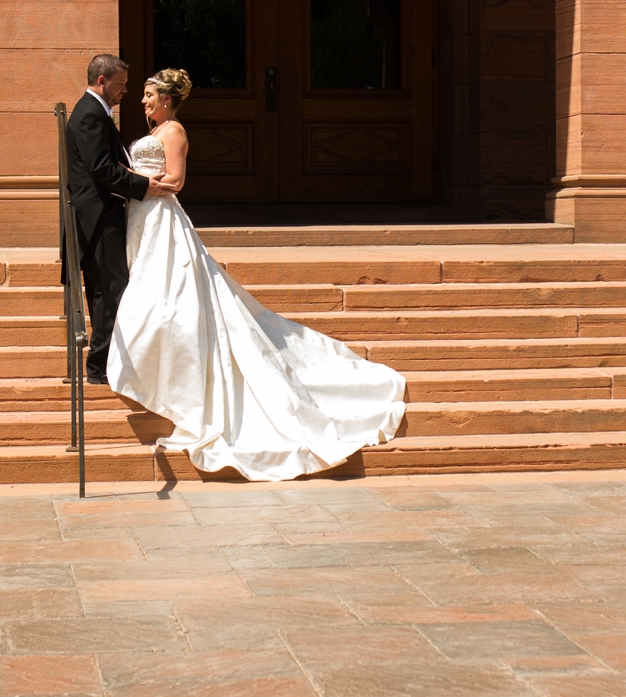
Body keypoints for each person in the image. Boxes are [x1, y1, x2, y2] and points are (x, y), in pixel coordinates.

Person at [108, 67, 407, 480]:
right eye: (142, 94)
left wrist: (132, 180)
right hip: (142, 218)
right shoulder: (155, 133)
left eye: (148, 95)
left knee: (166, 295)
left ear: (167, 99)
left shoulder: (173, 131)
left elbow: (175, 181)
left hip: (161, 217)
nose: (142, 101)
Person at [66, 54, 170, 385]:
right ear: (102, 81)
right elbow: (100, 168)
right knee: (110, 289)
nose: (125, 90)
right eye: (121, 84)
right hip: (99, 215)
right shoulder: (90, 116)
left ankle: (103, 364)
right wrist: (143, 185)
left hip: (103, 213)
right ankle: (100, 368)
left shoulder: (94, 112)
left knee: (105, 289)